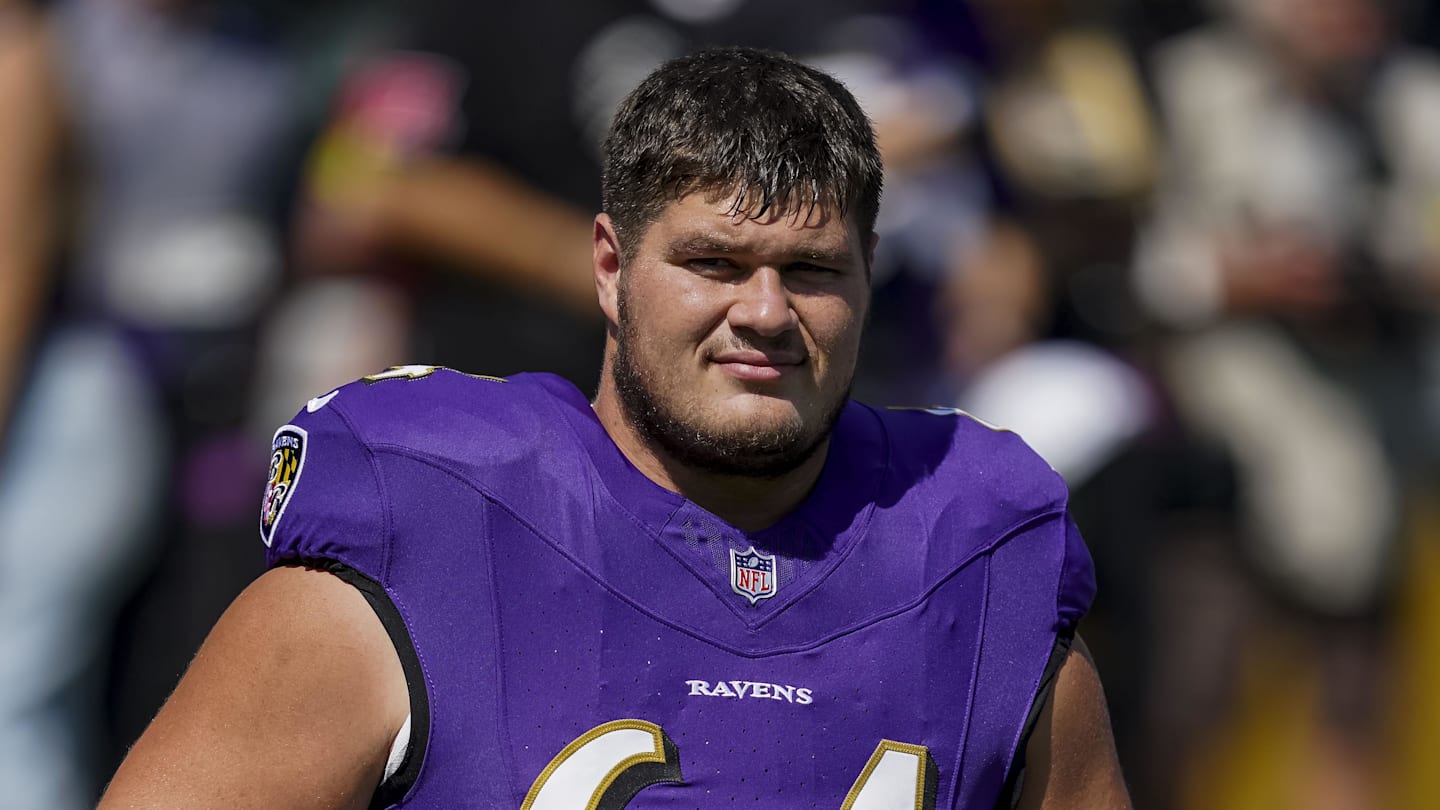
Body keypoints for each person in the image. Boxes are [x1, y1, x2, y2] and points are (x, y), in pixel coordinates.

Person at [99, 47, 1129, 809]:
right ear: (610, 266)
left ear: (867, 277)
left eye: (812, 271)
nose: (766, 313)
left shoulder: (981, 558)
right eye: (714, 264)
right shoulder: (420, 528)